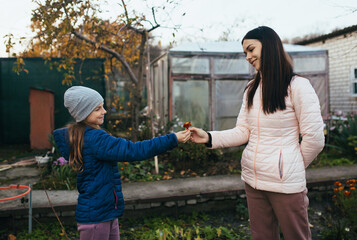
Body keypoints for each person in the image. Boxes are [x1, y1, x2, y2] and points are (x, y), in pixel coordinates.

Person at [190, 26, 324, 240]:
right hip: (253, 179)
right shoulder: (252, 88)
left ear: (269, 45)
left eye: (251, 49)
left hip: (285, 184)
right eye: (245, 53)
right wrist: (208, 137)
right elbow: (243, 131)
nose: (248, 57)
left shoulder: (298, 86)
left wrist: (291, 167)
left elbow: (315, 139)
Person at [53, 86, 191, 240]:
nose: (104, 111)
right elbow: (134, 150)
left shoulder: (85, 136)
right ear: (84, 113)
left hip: (105, 212)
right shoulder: (95, 139)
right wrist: (172, 139)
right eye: (98, 109)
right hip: (97, 217)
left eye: (102, 106)